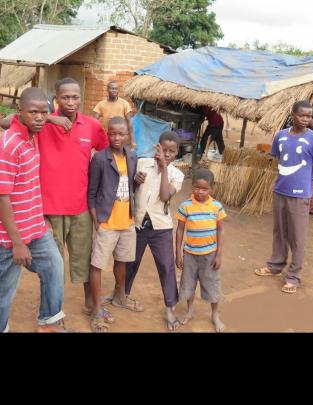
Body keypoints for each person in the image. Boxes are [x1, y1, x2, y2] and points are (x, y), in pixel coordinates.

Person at [8, 77, 106, 316]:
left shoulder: (91, 126)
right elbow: (6, 121)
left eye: (75, 97)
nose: (71, 102)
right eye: (65, 97)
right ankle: (53, 313)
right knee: (53, 265)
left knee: (84, 258)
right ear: (57, 99)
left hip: (81, 207)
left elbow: (106, 154)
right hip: (49, 209)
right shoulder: (40, 124)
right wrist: (50, 118)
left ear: (81, 98)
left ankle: (90, 304)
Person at [0, 87, 67, 333]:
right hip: (10, 237)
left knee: (54, 266)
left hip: (34, 227)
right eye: (33, 112)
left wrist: (40, 220)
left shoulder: (32, 136)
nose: (40, 118)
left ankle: (49, 323)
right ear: (19, 112)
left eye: (44, 112)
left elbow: (28, 186)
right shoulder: (8, 145)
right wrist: (17, 243)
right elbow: (2, 197)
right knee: (4, 288)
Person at [253, 101, 313, 294]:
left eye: (309, 116)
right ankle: (275, 265)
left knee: (297, 237)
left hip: (300, 195)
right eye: (302, 115)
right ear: (293, 115)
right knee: (280, 232)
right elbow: (280, 160)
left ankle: (293, 277)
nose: (306, 119)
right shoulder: (281, 136)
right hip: (280, 191)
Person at [116, 131, 185, 329]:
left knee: (166, 266)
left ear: (177, 153)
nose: (167, 154)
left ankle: (169, 308)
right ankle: (122, 294)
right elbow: (128, 186)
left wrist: (164, 169)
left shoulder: (177, 175)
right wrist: (135, 180)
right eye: (164, 149)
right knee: (130, 261)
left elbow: (164, 196)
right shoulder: (142, 163)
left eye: (172, 151)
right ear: (157, 147)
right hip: (138, 223)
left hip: (161, 227)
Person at [86, 115, 143, 332]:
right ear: (107, 134)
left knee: (122, 261)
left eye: (121, 134)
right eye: (112, 134)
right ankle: (97, 309)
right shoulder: (100, 159)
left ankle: (120, 296)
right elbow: (91, 193)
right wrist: (97, 221)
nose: (116, 138)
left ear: (128, 135)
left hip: (126, 221)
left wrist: (137, 182)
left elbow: (128, 188)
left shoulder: (132, 156)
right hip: (106, 222)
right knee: (97, 265)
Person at [174, 168, 226, 332]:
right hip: (189, 254)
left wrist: (218, 255)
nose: (200, 192)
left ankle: (215, 315)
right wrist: (178, 253)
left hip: (210, 255)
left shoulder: (216, 207)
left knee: (212, 285)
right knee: (188, 284)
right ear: (192, 186)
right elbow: (180, 230)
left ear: (211, 188)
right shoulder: (186, 206)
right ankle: (189, 311)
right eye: (197, 187)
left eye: (204, 189)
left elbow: (220, 230)